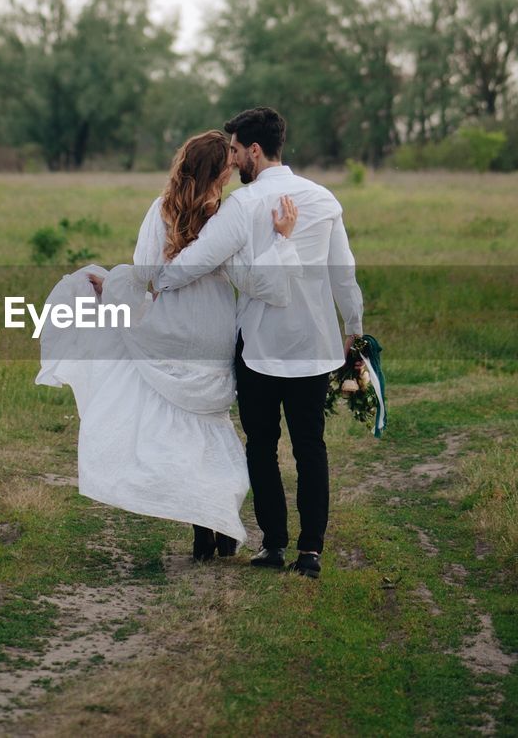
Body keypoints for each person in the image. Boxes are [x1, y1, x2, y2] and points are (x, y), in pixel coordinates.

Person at [35, 130, 300, 560]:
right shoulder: (225, 217)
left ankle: (204, 526)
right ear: (217, 173)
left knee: (180, 427)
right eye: (227, 171)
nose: (231, 178)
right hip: (211, 330)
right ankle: (216, 519)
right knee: (210, 424)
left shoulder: (160, 211)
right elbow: (248, 278)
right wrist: (281, 244)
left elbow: (145, 271)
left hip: (171, 327)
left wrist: (123, 296)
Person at [155, 107, 364, 579]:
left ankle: (273, 544)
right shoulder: (323, 199)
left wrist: (153, 283)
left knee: (262, 447)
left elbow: (198, 260)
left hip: (261, 352)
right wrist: (354, 327)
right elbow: (343, 274)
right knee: (312, 447)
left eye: (233, 150)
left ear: (253, 150)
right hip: (315, 347)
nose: (230, 161)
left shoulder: (242, 208)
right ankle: (310, 551)